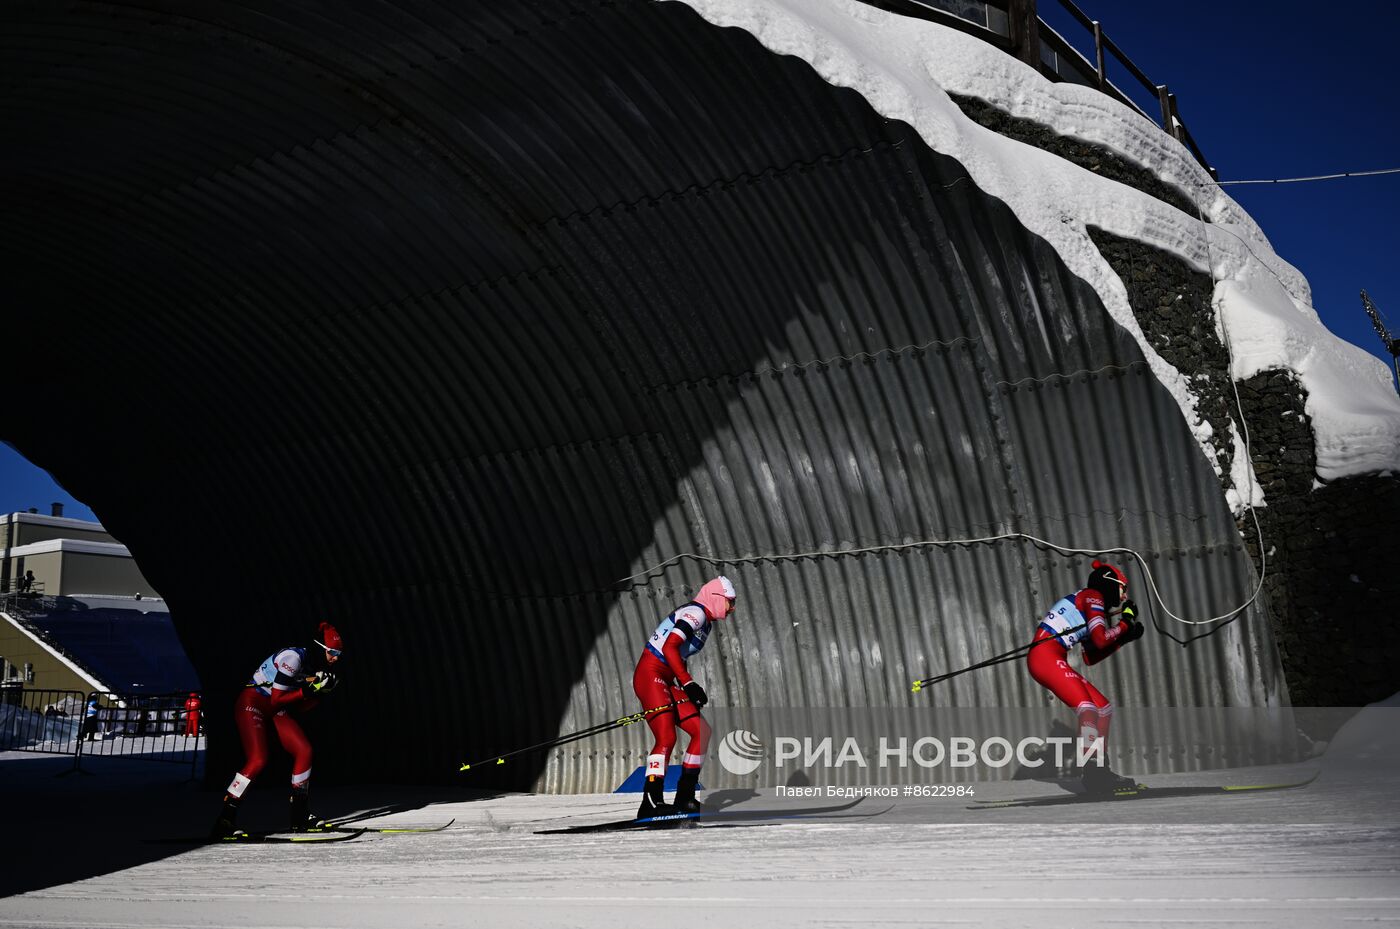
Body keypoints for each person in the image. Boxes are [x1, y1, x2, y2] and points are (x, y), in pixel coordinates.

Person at [210, 622, 343, 838]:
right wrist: (310, 690)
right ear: (321, 647)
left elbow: (300, 707)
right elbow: (278, 697)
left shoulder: (314, 667)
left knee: (304, 750)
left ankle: (299, 815)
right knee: (258, 759)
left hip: (275, 708)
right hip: (253, 701)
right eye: (333, 652)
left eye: (339, 654)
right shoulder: (294, 657)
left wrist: (320, 693)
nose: (336, 658)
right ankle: (225, 819)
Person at [1027, 560, 1145, 793]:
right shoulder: (1093, 596)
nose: (1123, 597)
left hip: (1052, 655)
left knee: (1103, 707)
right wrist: (1125, 624)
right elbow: (1101, 639)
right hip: (1045, 656)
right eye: (1123, 588)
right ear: (1110, 584)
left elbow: (1091, 655)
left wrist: (1124, 636)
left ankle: (1099, 768)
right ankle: (1093, 770)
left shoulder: (1092, 603)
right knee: (1087, 708)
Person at [632, 575, 736, 818]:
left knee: (702, 731)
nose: (733, 607)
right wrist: (688, 684)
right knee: (666, 737)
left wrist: (683, 682)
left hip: (666, 678)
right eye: (730, 601)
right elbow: (669, 647)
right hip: (651, 673)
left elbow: (678, 656)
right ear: (717, 598)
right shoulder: (696, 613)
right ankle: (651, 801)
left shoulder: (706, 622)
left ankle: (685, 797)